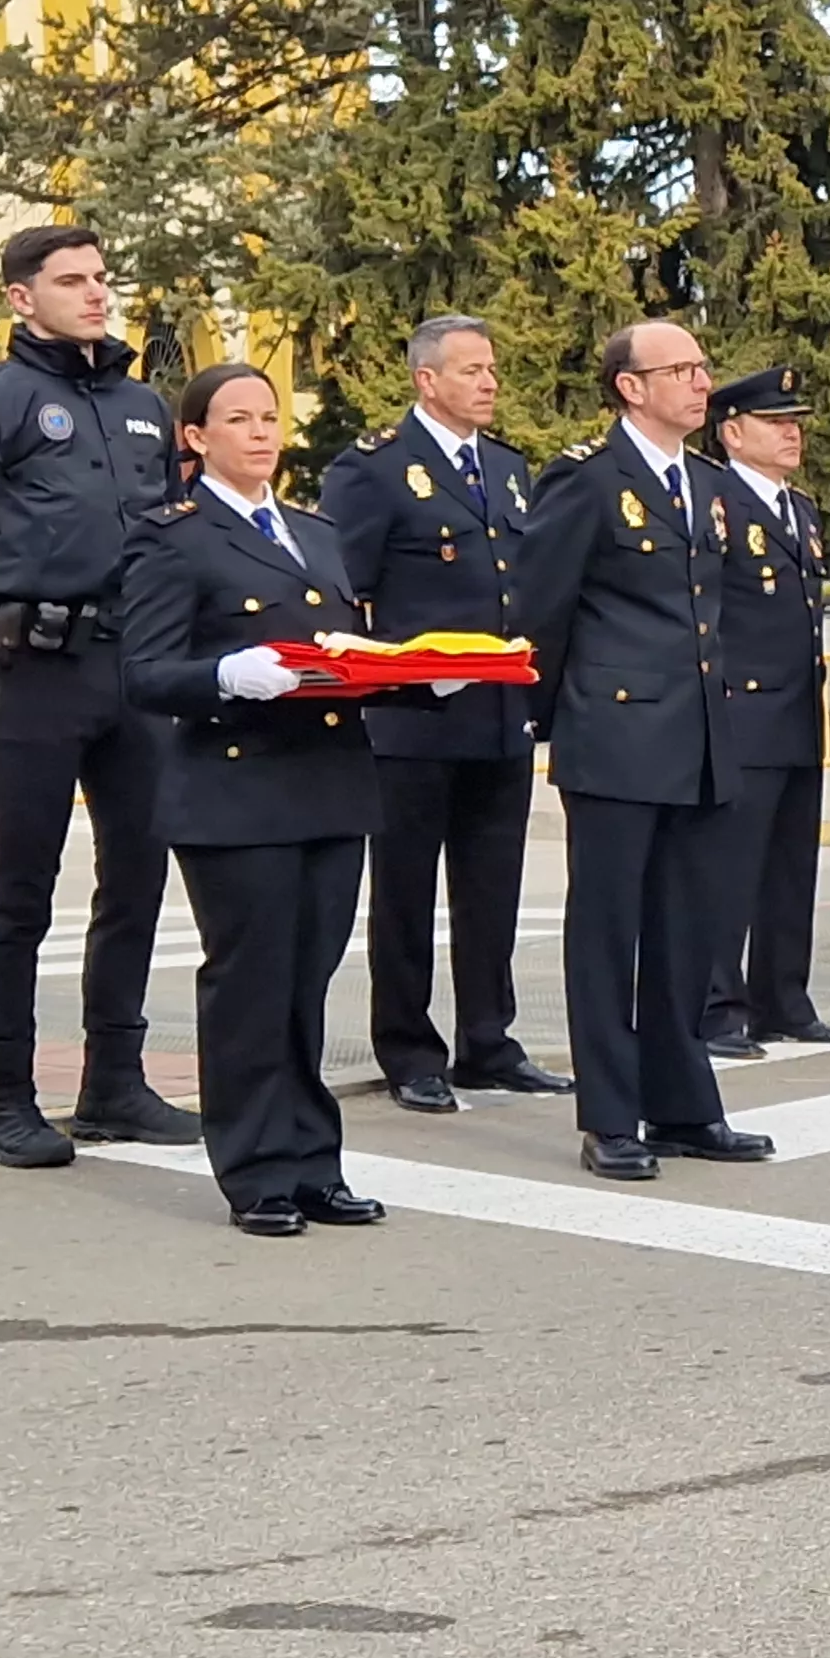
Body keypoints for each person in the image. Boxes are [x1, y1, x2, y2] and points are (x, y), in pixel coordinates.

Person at [0, 223, 194, 1166]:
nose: (97, 293)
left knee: (138, 877)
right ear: (22, 298)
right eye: (73, 281)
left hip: (132, 669)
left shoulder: (144, 405)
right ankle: (6, 1099)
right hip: (38, 672)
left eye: (102, 278)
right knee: (23, 887)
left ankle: (113, 1083)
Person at [115, 364, 404, 1235]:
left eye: (270, 417)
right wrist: (225, 676)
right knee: (251, 985)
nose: (262, 433)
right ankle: (256, 1172)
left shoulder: (314, 533)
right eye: (238, 419)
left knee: (307, 984)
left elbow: (341, 648)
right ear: (195, 439)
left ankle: (316, 1163)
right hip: (235, 792)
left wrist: (414, 680)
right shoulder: (173, 536)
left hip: (326, 783)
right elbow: (144, 673)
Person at [518, 318, 773, 1180]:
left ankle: (683, 1105)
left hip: (699, 737)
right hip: (616, 735)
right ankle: (611, 1115)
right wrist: (553, 721)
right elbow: (540, 610)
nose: (702, 383)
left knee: (686, 935)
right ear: (631, 387)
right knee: (608, 934)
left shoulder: (705, 483)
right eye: (682, 370)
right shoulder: (589, 481)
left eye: (704, 367)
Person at [322, 314, 572, 1113]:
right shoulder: (377, 470)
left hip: (497, 714)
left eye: (492, 368)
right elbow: (340, 587)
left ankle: (488, 1041)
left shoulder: (505, 468)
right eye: (471, 370)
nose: (489, 382)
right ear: (427, 380)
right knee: (404, 891)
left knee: (492, 885)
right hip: (411, 721)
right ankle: (408, 1047)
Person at [692, 367, 830, 1056]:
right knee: (729, 869)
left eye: (796, 420)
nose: (793, 432)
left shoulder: (799, 509)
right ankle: (718, 1006)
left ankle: (783, 998)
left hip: (796, 714)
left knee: (791, 865)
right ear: (731, 432)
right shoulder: (715, 500)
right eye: (775, 421)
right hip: (741, 711)